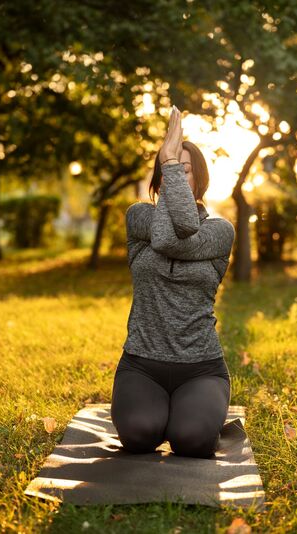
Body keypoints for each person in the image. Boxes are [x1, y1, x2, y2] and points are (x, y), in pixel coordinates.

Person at [111, 106, 235, 458]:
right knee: (138, 435)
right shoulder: (139, 218)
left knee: (191, 440)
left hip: (201, 368)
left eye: (184, 170)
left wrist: (168, 159)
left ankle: (189, 415)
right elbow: (165, 233)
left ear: (200, 181)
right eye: (169, 169)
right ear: (159, 178)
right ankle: (162, 413)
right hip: (141, 364)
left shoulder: (219, 232)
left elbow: (171, 237)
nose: (176, 175)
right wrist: (170, 165)